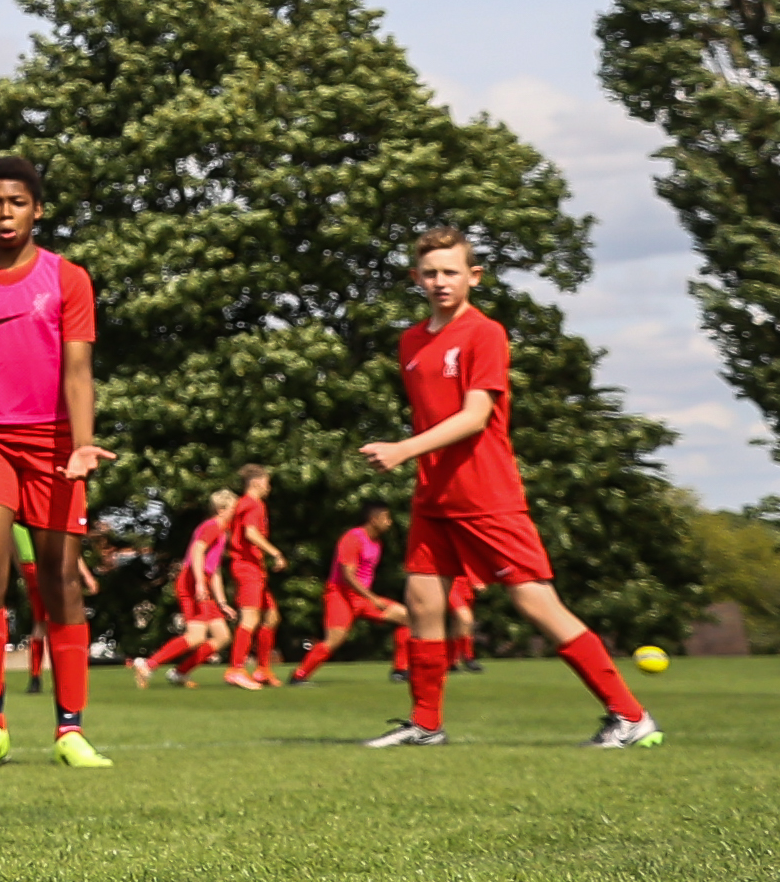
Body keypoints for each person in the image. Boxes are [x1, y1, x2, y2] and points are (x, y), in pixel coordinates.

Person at [359, 229, 660, 751]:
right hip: (434, 497)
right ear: (415, 278)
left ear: (473, 276)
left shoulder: (486, 333)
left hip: (487, 495)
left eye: (451, 272)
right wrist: (419, 460)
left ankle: (631, 716)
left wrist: (404, 449)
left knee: (536, 602)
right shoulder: (410, 341)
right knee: (423, 600)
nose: (440, 282)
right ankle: (425, 725)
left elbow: (475, 417)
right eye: (430, 273)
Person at [0, 155, 114, 770]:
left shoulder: (68, 279)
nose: (4, 214)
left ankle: (70, 730)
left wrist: (83, 443)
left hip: (56, 443)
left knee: (60, 582)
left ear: (38, 208)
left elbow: (80, 371)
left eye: (17, 202)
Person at [288, 503, 406, 684]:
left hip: (361, 597)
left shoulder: (377, 543)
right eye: (386, 518)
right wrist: (373, 598)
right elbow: (347, 576)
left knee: (405, 617)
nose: (389, 523)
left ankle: (400, 670)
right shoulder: (353, 538)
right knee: (334, 640)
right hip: (340, 595)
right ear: (374, 520)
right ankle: (299, 676)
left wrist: (368, 598)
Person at [136, 490, 232, 688]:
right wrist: (198, 582)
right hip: (191, 580)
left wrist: (222, 602)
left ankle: (180, 673)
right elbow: (197, 551)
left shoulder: (221, 530)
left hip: (201, 580)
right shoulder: (212, 526)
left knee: (222, 636)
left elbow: (214, 570)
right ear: (222, 510)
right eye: (234, 508)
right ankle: (148, 665)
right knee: (196, 636)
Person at [225, 463, 285, 687]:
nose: (269, 487)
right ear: (257, 482)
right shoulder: (254, 504)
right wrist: (275, 552)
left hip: (253, 568)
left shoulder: (245, 504)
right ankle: (236, 669)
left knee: (271, 616)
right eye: (267, 482)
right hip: (246, 567)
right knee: (250, 618)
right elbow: (250, 533)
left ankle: (262, 669)